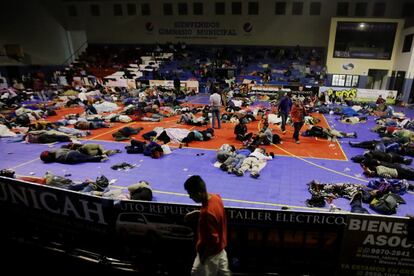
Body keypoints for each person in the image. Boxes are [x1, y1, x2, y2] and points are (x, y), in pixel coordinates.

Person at [184, 175, 231, 276]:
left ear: (199, 193)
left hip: (209, 255)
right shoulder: (216, 198)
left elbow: (213, 240)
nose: (190, 197)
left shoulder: (207, 214)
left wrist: (203, 258)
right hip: (221, 250)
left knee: (196, 273)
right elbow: (214, 214)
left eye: (190, 194)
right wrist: (199, 212)